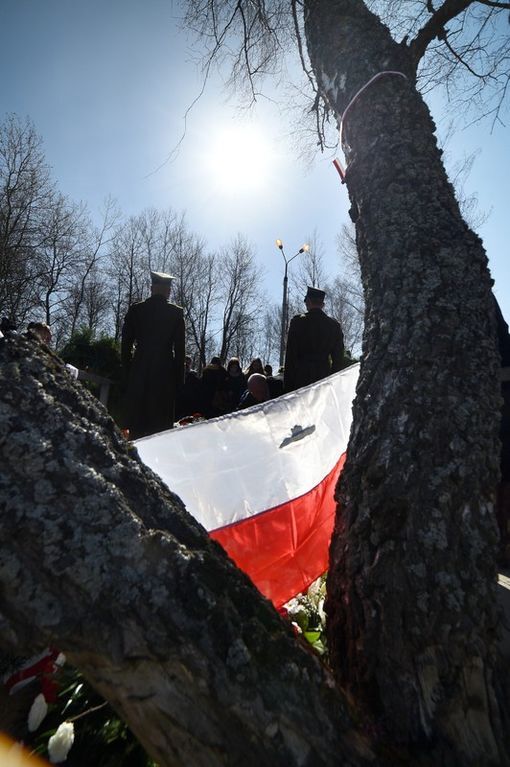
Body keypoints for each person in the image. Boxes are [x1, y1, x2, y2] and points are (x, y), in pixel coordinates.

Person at [121, 271, 185, 439]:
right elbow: (180, 350)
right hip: (164, 373)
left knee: (137, 423)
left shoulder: (137, 310)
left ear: (152, 288)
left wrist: (127, 372)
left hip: (139, 370)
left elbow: (125, 344)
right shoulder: (175, 313)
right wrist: (179, 381)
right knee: (160, 427)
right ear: (167, 290)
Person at [284, 286, 344, 392]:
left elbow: (290, 357)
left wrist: (287, 388)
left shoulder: (297, 322)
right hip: (324, 378)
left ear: (308, 302)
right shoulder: (334, 325)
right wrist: (334, 385)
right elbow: (338, 360)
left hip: (301, 379)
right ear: (323, 305)